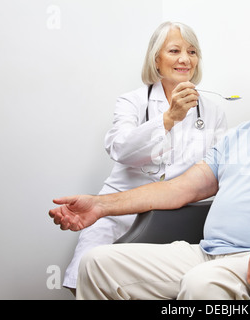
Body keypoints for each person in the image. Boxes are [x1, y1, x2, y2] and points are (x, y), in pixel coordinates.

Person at [50, 27, 250, 300]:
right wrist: (100, 205)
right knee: (96, 263)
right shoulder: (242, 133)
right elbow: (179, 189)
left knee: (201, 284)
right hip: (206, 252)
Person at [61, 21, 227, 291]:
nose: (185, 59)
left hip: (176, 218)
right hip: (117, 215)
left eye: (192, 51)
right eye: (174, 51)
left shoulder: (212, 111)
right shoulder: (132, 102)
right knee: (84, 275)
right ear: (156, 60)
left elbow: (216, 170)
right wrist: (169, 118)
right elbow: (120, 149)